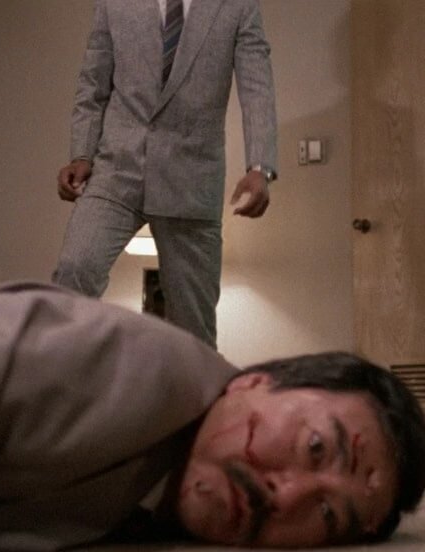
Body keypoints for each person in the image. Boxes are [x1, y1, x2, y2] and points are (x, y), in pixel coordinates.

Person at [0, 283, 425, 549]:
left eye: (328, 515)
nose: (286, 496)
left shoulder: (165, 494)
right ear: (257, 380)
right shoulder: (121, 364)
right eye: (316, 448)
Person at [51, 0, 279, 349]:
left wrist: (260, 167)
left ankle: (194, 386)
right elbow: (93, 84)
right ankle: (60, 373)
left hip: (192, 178)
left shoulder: (237, 5)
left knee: (194, 328)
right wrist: (81, 153)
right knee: (74, 270)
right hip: (116, 170)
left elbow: (257, 87)